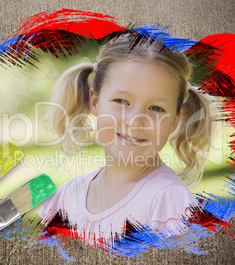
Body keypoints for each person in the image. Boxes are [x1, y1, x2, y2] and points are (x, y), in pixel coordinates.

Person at [37, 32, 215, 245]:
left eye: (156, 108)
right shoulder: (65, 198)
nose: (135, 121)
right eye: (121, 101)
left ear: (176, 120)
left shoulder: (169, 202)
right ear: (95, 101)